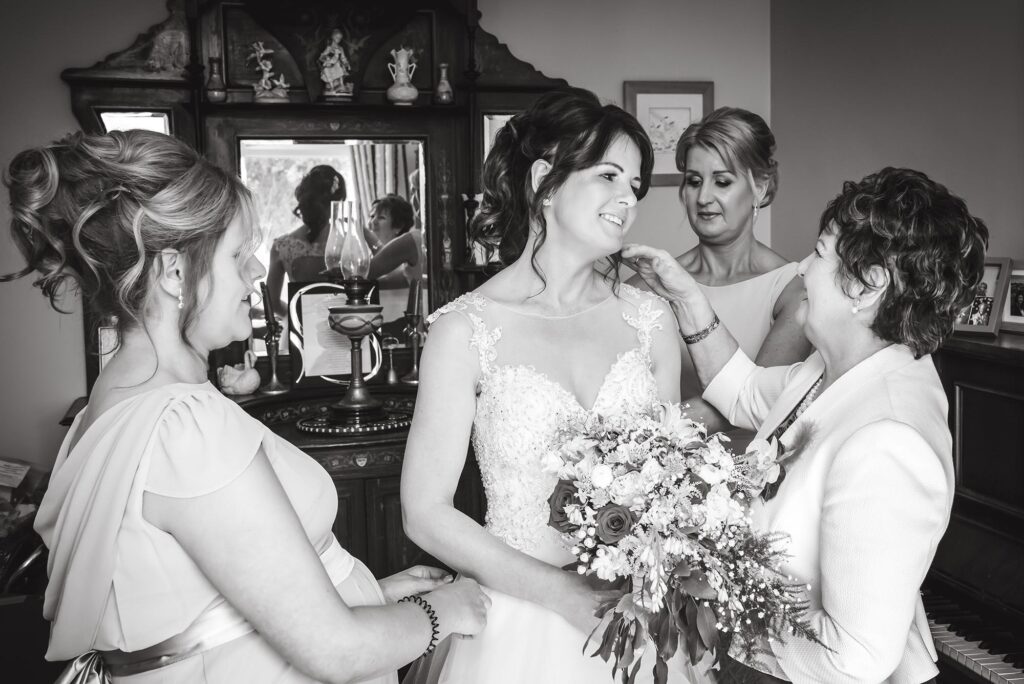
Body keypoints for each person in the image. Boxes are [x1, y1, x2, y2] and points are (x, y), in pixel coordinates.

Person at [3, 129, 489, 683]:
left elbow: (189, 615)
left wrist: (367, 595)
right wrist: (446, 610)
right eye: (238, 255)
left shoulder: (111, 407)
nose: (256, 272)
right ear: (175, 272)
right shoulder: (186, 429)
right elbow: (337, 652)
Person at [624, 167, 988, 683]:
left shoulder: (889, 441)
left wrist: (714, 604)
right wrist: (685, 297)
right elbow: (744, 391)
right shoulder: (832, 366)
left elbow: (852, 658)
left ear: (867, 285)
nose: (801, 268)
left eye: (819, 253)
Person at [401, 89, 687, 683]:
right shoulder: (464, 330)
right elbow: (425, 513)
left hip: (632, 614)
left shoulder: (651, 321)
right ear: (545, 181)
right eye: (608, 175)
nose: (627, 200)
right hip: (516, 622)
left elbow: (673, 486)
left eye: (635, 186)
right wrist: (561, 595)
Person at [630, 107, 811, 436]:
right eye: (694, 181)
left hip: (755, 474)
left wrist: (640, 437)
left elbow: (757, 400)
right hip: (654, 475)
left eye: (722, 181)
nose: (703, 197)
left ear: (760, 187)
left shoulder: (795, 289)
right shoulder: (649, 283)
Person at [265, 164, 346, 321]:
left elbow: (272, 302)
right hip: (345, 326)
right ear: (337, 202)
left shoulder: (282, 246)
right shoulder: (348, 241)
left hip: (300, 329)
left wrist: (295, 318)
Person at [365, 194, 426, 323]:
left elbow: (379, 273)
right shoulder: (368, 255)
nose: (373, 222)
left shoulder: (411, 245)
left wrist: (365, 234)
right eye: (371, 216)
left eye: (381, 217)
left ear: (398, 226)